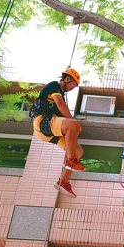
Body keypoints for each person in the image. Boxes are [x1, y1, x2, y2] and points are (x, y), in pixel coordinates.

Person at [31, 68, 84, 197]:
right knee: (74, 124)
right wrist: (73, 123)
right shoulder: (54, 85)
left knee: (78, 151)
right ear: (67, 79)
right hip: (42, 121)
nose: (72, 87)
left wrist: (73, 127)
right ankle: (71, 161)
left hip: (48, 132)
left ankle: (63, 182)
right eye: (73, 84)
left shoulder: (61, 95)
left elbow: (63, 115)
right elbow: (60, 104)